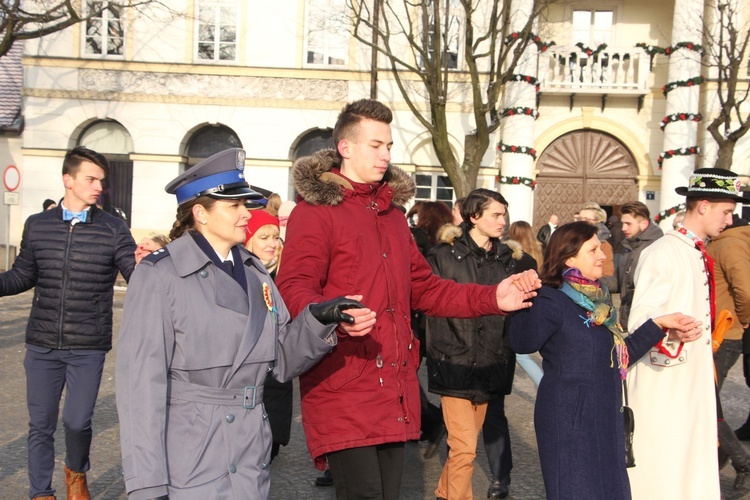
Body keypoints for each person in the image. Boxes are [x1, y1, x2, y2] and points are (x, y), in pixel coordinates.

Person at [275, 98, 540, 499]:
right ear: (346, 147)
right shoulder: (316, 212)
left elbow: (427, 289)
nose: (385, 155)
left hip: (393, 385)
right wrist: (330, 314)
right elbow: (293, 285)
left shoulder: (392, 216)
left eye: (389, 146)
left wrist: (493, 298)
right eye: (375, 145)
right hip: (342, 382)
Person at [115, 147, 367, 500]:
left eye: (245, 204)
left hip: (250, 450)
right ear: (200, 213)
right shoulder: (161, 275)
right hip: (189, 452)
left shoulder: (255, 273)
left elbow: (279, 360)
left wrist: (318, 319)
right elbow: (139, 387)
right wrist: (148, 484)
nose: (245, 213)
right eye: (234, 206)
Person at [509, 221, 703, 499]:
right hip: (569, 422)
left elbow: (617, 358)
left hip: (604, 418)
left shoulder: (597, 302)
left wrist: (658, 325)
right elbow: (521, 342)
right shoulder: (550, 299)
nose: (602, 255)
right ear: (569, 256)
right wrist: (522, 297)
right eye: (594, 250)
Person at [0, 146, 136, 500]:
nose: (98, 187)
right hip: (42, 344)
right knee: (40, 425)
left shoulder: (114, 229)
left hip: (88, 346)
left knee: (77, 422)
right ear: (68, 180)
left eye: (101, 181)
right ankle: (40, 492)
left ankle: (76, 475)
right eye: (90, 179)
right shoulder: (37, 225)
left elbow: (136, 275)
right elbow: (21, 275)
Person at [627, 167, 749, 499]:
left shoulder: (695, 250)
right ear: (704, 205)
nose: (729, 219)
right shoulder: (664, 251)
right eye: (726, 211)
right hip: (665, 381)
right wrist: (671, 331)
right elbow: (642, 319)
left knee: (689, 456)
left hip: (689, 378)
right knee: (665, 462)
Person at [426, 189, 537, 500]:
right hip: (453, 361)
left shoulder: (513, 261)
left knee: (464, 446)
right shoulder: (441, 257)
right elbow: (426, 305)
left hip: (492, 362)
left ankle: (443, 494)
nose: (503, 221)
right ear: (473, 217)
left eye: (505, 214)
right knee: (464, 448)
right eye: (496, 215)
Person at [243, 208, 293, 464]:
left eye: (276, 237)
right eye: (264, 237)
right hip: (247, 379)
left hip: (276, 379)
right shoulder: (239, 275)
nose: (273, 244)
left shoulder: (284, 276)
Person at [707, 214, 750, 487]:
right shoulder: (731, 241)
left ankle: (742, 464)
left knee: (708, 403)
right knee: (709, 400)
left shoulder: (728, 243)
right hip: (722, 330)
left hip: (724, 332)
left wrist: (744, 320)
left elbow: (744, 290)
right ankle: (718, 462)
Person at [506, 221, 545, 388]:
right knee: (522, 354)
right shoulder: (537, 250)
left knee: (521, 355)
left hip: (517, 305)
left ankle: (545, 385)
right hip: (533, 302)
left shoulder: (514, 256)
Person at [614, 201, 663, 330]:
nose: (623, 228)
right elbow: (620, 281)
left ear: (644, 224)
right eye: (622, 223)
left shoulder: (657, 247)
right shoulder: (628, 246)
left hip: (647, 322)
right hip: (628, 321)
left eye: (628, 224)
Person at [579, 203, 616, 291]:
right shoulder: (577, 240)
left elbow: (609, 277)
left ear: (598, 221)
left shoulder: (603, 243)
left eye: (586, 219)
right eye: (579, 219)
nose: (581, 222)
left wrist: (585, 283)